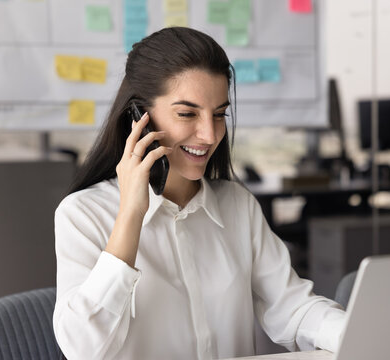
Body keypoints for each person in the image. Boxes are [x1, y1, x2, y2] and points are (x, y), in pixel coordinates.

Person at [53, 27, 346, 360]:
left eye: (219, 114)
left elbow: (292, 307)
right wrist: (131, 214)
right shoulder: (82, 214)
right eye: (187, 114)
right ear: (139, 118)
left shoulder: (237, 206)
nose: (209, 135)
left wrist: (355, 333)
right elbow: (82, 349)